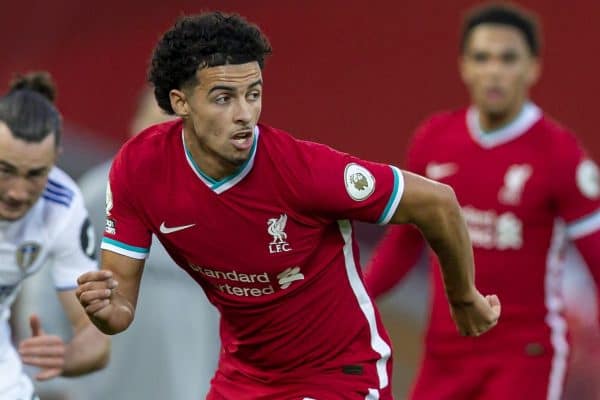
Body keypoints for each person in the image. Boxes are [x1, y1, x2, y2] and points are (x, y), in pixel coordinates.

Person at [75, 12, 500, 399]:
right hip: (244, 377)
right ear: (180, 102)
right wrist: (107, 309)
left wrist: (463, 298)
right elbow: (120, 304)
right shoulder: (138, 169)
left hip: (338, 374)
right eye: (224, 98)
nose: (246, 114)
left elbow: (438, 203)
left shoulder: (302, 171)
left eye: (253, 93)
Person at [364, 4, 600, 400]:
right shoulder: (434, 140)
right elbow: (404, 244)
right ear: (464, 66)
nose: (494, 70)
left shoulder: (560, 153)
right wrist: (356, 297)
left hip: (524, 356)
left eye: (508, 58)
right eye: (482, 57)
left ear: (532, 68)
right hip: (445, 354)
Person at [72, 87, 219, 400]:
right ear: (136, 125)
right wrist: (57, 383)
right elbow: (49, 284)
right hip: (108, 391)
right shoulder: (99, 197)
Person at [0, 71, 110, 400]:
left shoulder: (62, 208)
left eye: (36, 174)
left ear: (55, 159)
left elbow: (94, 335)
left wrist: (68, 357)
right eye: (4, 171)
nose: (18, 192)